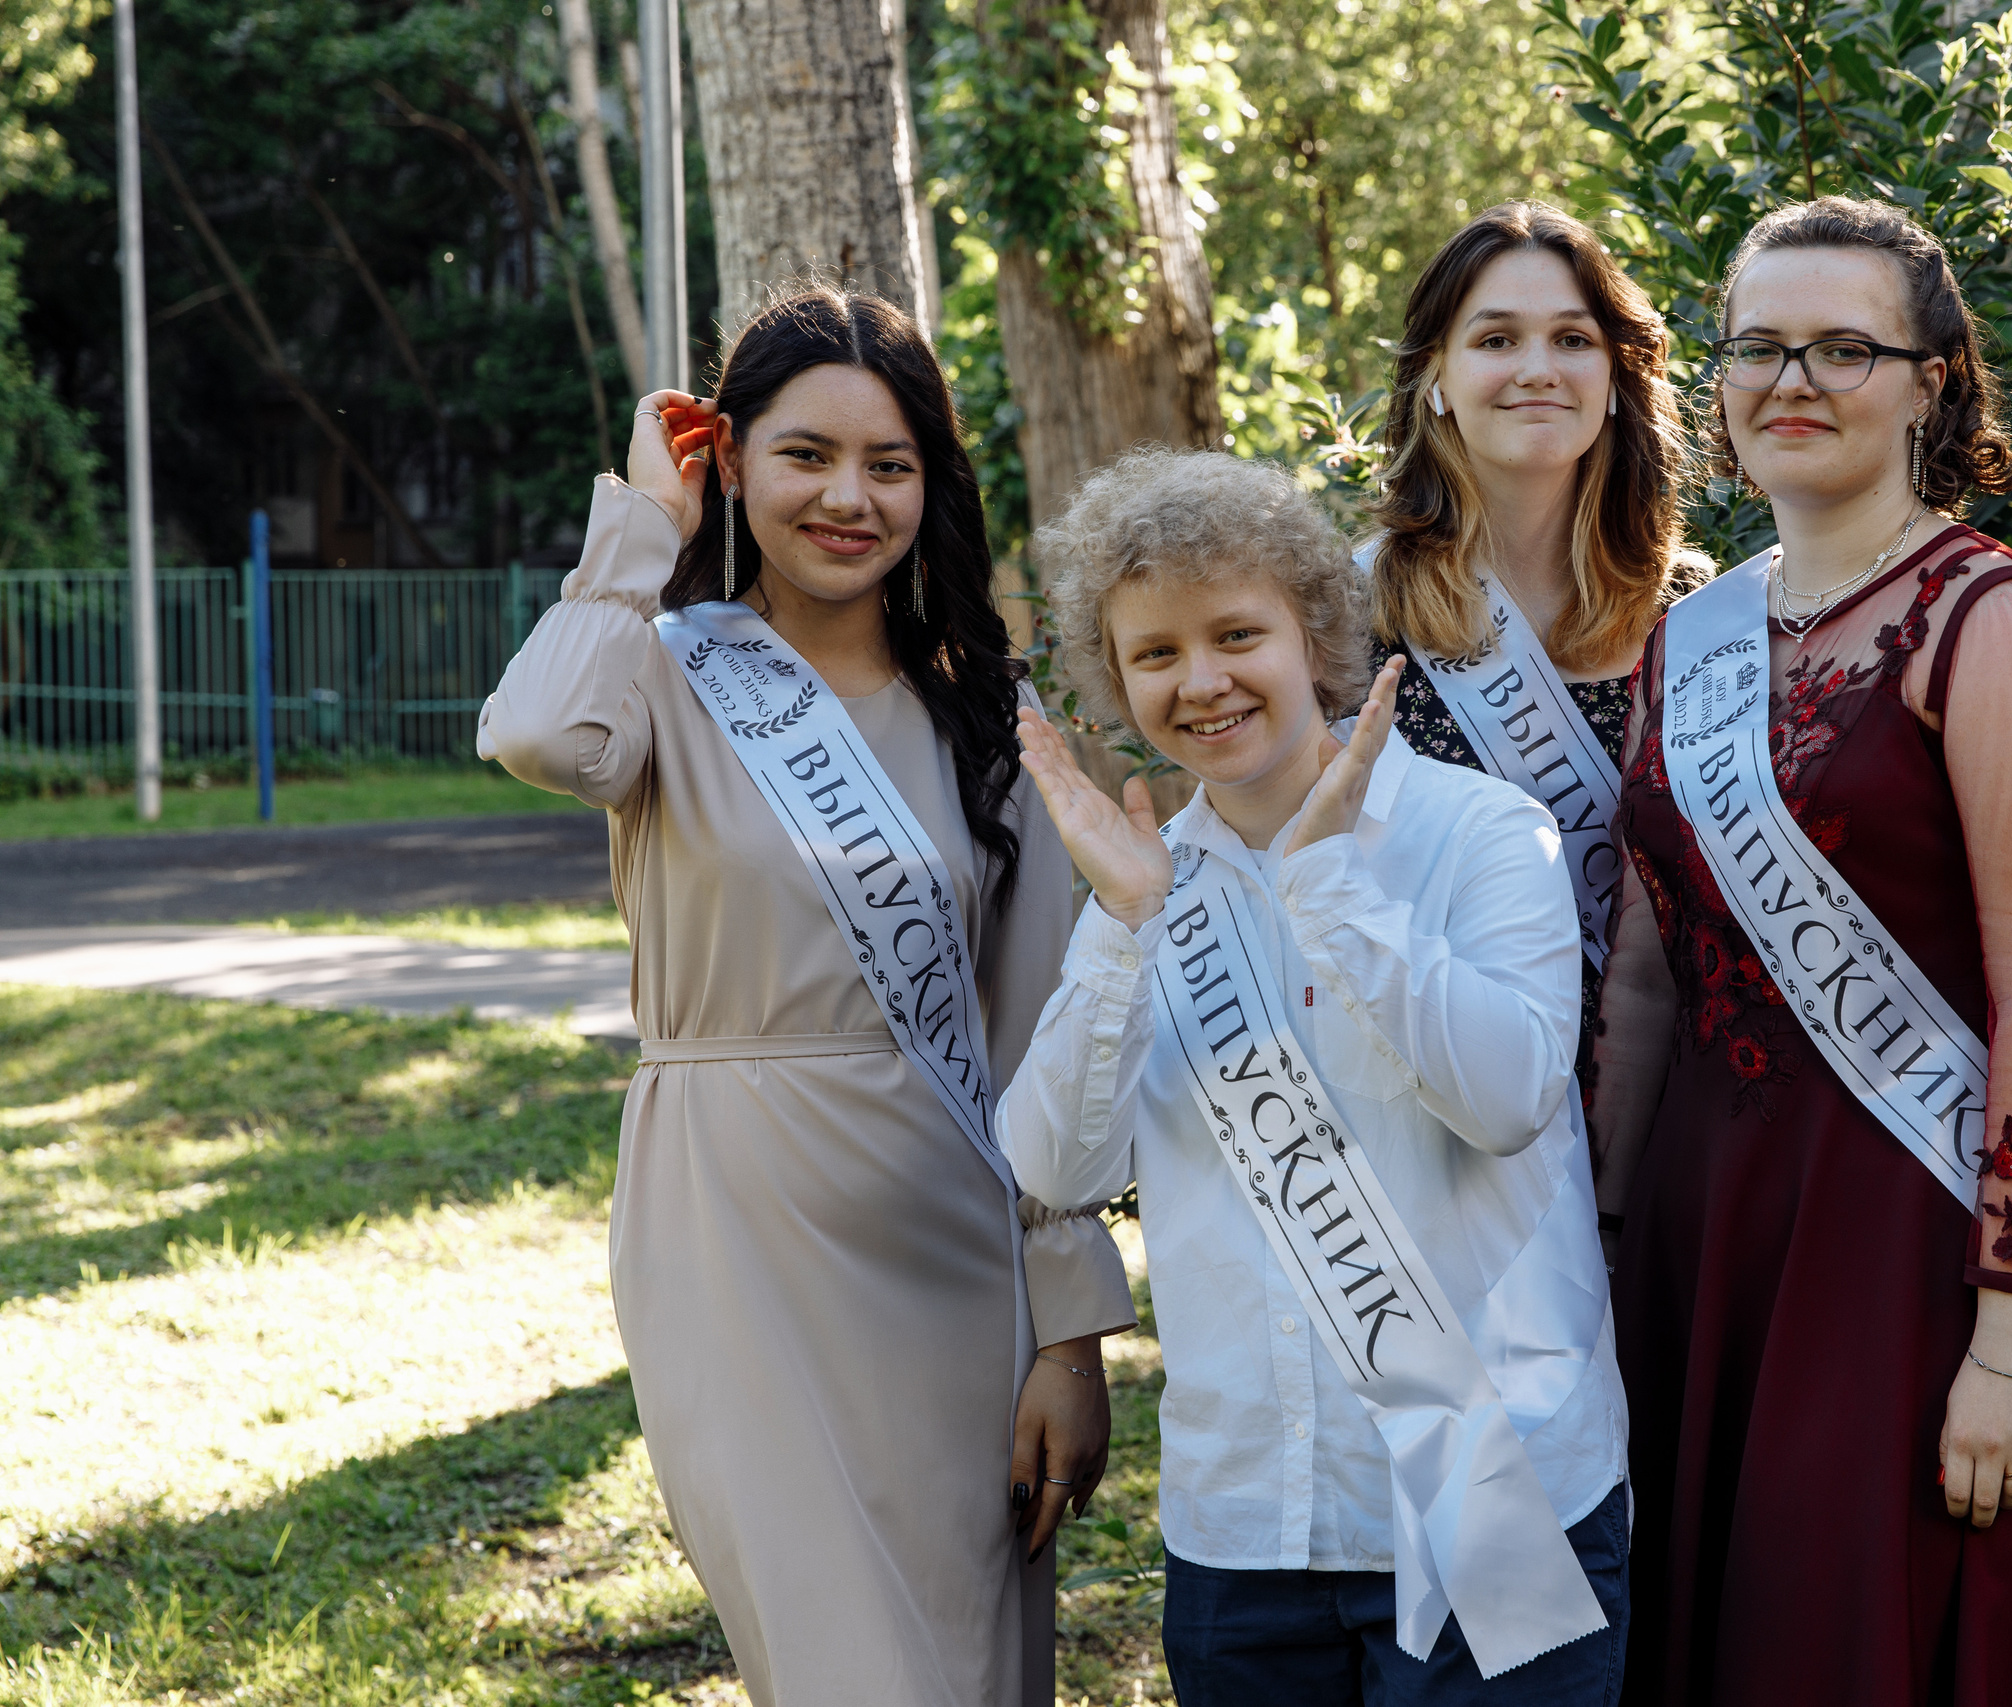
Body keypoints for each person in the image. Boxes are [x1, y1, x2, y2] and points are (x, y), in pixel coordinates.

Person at [479, 285, 1136, 1707]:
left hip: (956, 1257)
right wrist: (643, 527)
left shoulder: (988, 710)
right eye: (805, 455)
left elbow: (1036, 1034)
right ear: (734, 459)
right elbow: (535, 733)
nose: (850, 498)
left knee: (968, 1664)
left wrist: (1071, 1327)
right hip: (730, 1230)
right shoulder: (664, 672)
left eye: (889, 464)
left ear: (929, 483)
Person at [1591, 196, 2012, 1702]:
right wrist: (1592, 1244)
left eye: (1842, 348)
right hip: (1705, 1248)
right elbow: (1648, 977)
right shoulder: (1689, 639)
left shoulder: (1994, 624)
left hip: (1913, 1257)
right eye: (1758, 348)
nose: (1790, 381)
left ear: (1932, 383)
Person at [996, 448, 1630, 1705]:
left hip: (1492, 1497)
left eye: (1237, 634)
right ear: (1116, 681)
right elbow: (1053, 1167)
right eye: (1156, 652)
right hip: (1249, 1529)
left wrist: (1328, 888)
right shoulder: (1142, 888)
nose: (1201, 681)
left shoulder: (1482, 834)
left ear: (1314, 636)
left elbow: (1508, 1100)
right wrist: (1123, 924)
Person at [1364, 201, 1698, 1102]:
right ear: (1435, 376)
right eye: (1496, 340)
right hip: (1443, 1111)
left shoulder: (1700, 622)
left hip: (1673, 1112)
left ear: (1617, 373)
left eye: (1573, 340)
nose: (1538, 369)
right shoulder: (1349, 619)